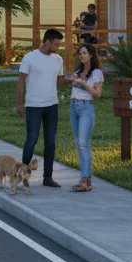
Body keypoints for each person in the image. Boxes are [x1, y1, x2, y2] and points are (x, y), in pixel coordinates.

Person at [17, 29, 68, 188]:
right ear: (47, 41)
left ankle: (48, 177)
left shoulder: (58, 59)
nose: (58, 47)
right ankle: (22, 175)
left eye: (59, 44)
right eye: (56, 44)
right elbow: (20, 82)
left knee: (50, 142)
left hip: (52, 105)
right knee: (31, 140)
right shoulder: (30, 58)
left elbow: (59, 82)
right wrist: (19, 104)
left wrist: (73, 80)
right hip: (33, 106)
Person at [68, 43, 105, 192]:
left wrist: (84, 84)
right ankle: (86, 179)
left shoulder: (96, 72)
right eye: (79, 53)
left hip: (85, 108)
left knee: (84, 143)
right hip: (73, 106)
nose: (81, 55)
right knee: (78, 143)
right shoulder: (79, 71)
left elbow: (98, 94)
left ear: (90, 55)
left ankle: (85, 179)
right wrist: (72, 79)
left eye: (83, 53)